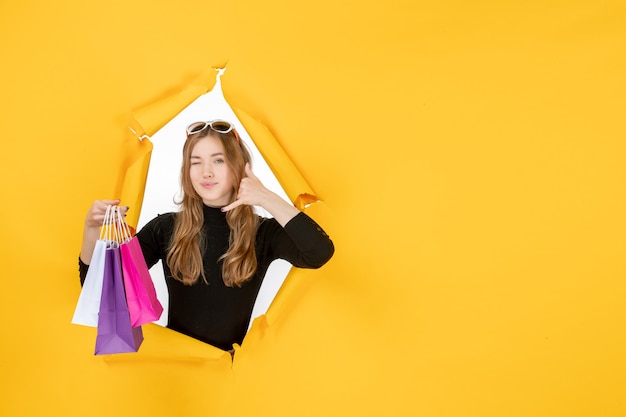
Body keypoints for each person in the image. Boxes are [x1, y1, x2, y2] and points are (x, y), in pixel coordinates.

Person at [78, 120, 334, 352]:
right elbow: (104, 292)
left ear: (240, 167)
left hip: (231, 376)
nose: (206, 172)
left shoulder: (263, 233)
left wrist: (266, 197)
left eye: (218, 160)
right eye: (196, 162)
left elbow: (319, 252)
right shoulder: (165, 228)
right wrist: (91, 230)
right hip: (176, 370)